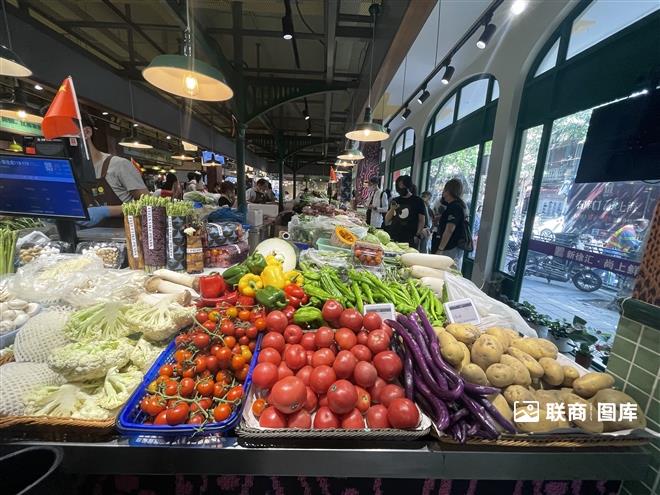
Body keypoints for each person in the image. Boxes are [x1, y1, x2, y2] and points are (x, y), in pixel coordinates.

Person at [78, 114, 148, 227]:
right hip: (89, 241)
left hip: (125, 238)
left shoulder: (119, 165)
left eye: (65, 133)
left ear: (86, 132)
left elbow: (150, 206)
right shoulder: (70, 171)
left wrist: (107, 211)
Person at [384, 175, 426, 246]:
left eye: (403, 185)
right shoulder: (395, 200)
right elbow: (387, 220)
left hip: (409, 238)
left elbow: (421, 220)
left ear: (408, 186)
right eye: (399, 185)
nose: (401, 187)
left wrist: (417, 235)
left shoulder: (418, 201)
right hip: (394, 236)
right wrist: (392, 209)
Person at [435, 178, 469, 268]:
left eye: (445, 191)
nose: (443, 194)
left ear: (450, 191)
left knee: (449, 273)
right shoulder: (457, 206)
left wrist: (440, 248)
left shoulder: (455, 207)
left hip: (451, 247)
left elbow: (449, 229)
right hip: (453, 247)